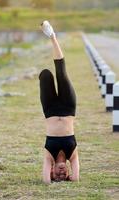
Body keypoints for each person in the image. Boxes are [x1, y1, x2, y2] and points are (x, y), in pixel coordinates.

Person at [39, 21, 79, 184]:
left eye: (58, 175)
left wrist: (51, 179)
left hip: (50, 109)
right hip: (69, 107)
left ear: (52, 170)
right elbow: (76, 179)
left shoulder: (49, 155)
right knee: (61, 73)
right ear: (69, 171)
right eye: (65, 175)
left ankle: (51, 37)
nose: (61, 174)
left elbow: (46, 181)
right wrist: (69, 179)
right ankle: (52, 36)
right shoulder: (73, 154)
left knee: (46, 75)